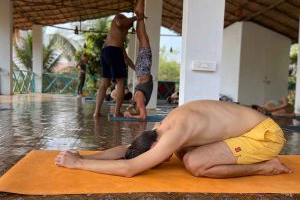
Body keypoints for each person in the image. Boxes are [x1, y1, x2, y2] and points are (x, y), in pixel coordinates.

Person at [55, 100, 292, 178]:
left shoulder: (176, 132)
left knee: (194, 163)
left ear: (155, 145)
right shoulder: (159, 129)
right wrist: (87, 156)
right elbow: (128, 151)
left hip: (265, 136)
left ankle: (267, 167)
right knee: (185, 153)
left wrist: (79, 164)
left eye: (158, 157)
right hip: (245, 128)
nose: (164, 160)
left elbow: (130, 168)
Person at [93, 13, 137, 117]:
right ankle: (117, 112)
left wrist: (136, 69)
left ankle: (96, 112)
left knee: (104, 84)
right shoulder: (120, 17)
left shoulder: (118, 39)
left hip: (105, 52)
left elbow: (126, 58)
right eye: (129, 26)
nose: (127, 30)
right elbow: (119, 22)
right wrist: (136, 17)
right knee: (121, 82)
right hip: (113, 52)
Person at [123, 0, 153, 120]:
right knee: (143, 39)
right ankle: (139, 14)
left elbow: (141, 113)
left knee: (143, 39)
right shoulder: (139, 99)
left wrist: (129, 112)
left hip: (142, 70)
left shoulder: (139, 99)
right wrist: (129, 115)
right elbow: (143, 117)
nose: (130, 107)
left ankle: (139, 15)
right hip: (142, 70)